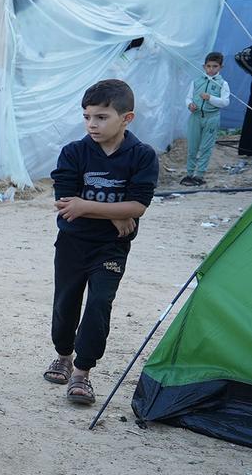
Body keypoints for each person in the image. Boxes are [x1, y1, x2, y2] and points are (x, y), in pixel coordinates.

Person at [42, 79, 157, 405]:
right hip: (72, 244)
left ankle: (82, 372)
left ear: (127, 118)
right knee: (65, 302)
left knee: (98, 305)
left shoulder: (142, 156)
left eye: (102, 117)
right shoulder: (74, 153)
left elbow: (139, 207)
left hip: (111, 247)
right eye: (87, 116)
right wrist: (114, 212)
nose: (92, 124)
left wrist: (90, 207)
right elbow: (67, 205)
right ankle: (63, 355)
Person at [182, 51, 230, 186]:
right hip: (196, 117)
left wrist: (211, 98)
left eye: (215, 66)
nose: (211, 69)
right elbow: (188, 97)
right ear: (204, 67)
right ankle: (189, 174)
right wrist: (189, 105)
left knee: (206, 147)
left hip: (211, 118)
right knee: (192, 146)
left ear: (220, 67)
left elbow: (225, 102)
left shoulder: (223, 84)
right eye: (208, 66)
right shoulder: (196, 81)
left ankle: (199, 175)